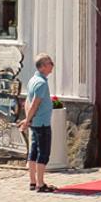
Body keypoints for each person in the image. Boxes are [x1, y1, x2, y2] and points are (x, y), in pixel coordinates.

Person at [16, 54, 57, 193]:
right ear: (43, 66)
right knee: (43, 153)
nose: (52, 65)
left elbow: (27, 101)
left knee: (33, 151)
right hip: (42, 123)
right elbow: (34, 103)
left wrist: (28, 119)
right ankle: (40, 183)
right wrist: (27, 120)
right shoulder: (41, 83)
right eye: (50, 62)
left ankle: (33, 182)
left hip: (35, 122)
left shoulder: (34, 80)